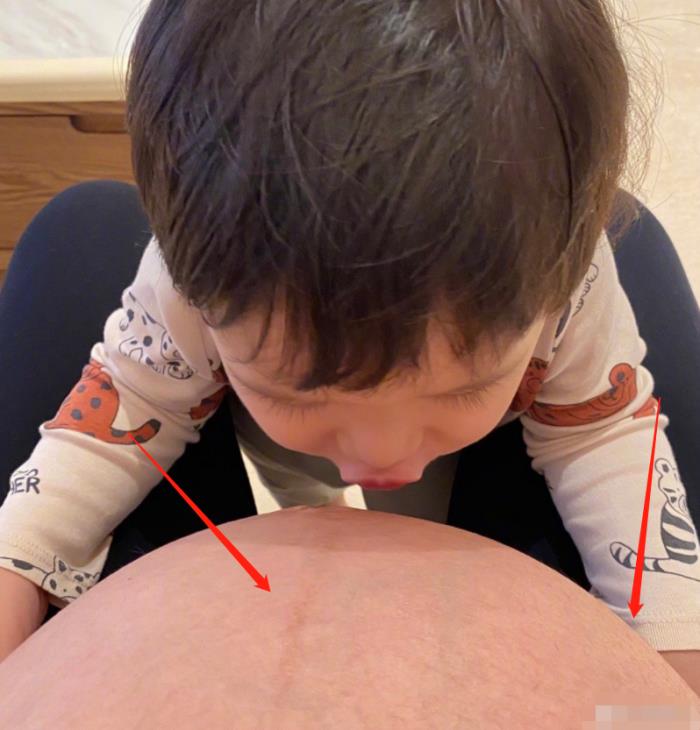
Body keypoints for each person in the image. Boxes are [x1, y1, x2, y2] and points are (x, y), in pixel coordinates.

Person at [0, 0, 699, 693]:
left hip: (509, 451)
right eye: (298, 392)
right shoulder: (193, 279)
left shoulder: (561, 274)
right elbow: (130, 404)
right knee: (81, 228)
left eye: (463, 387)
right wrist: (20, 556)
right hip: (215, 436)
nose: (383, 456)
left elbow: (599, 434)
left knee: (636, 240)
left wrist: (670, 644)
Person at [1, 505, 698, 729]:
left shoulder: (565, 322)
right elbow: (83, 453)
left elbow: (615, 458)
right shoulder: (182, 309)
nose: (383, 451)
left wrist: (676, 668)